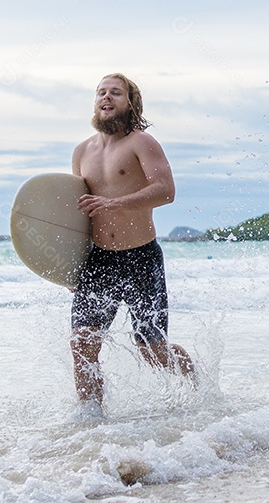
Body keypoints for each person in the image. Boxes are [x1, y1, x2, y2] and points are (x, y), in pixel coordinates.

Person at [69, 73, 195, 414]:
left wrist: (115, 204)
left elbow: (166, 190)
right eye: (100, 92)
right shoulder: (82, 152)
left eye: (115, 93)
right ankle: (90, 419)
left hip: (141, 258)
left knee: (152, 349)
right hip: (99, 261)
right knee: (82, 341)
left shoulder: (142, 143)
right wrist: (71, 266)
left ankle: (199, 386)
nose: (106, 97)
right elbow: (77, 217)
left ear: (130, 103)